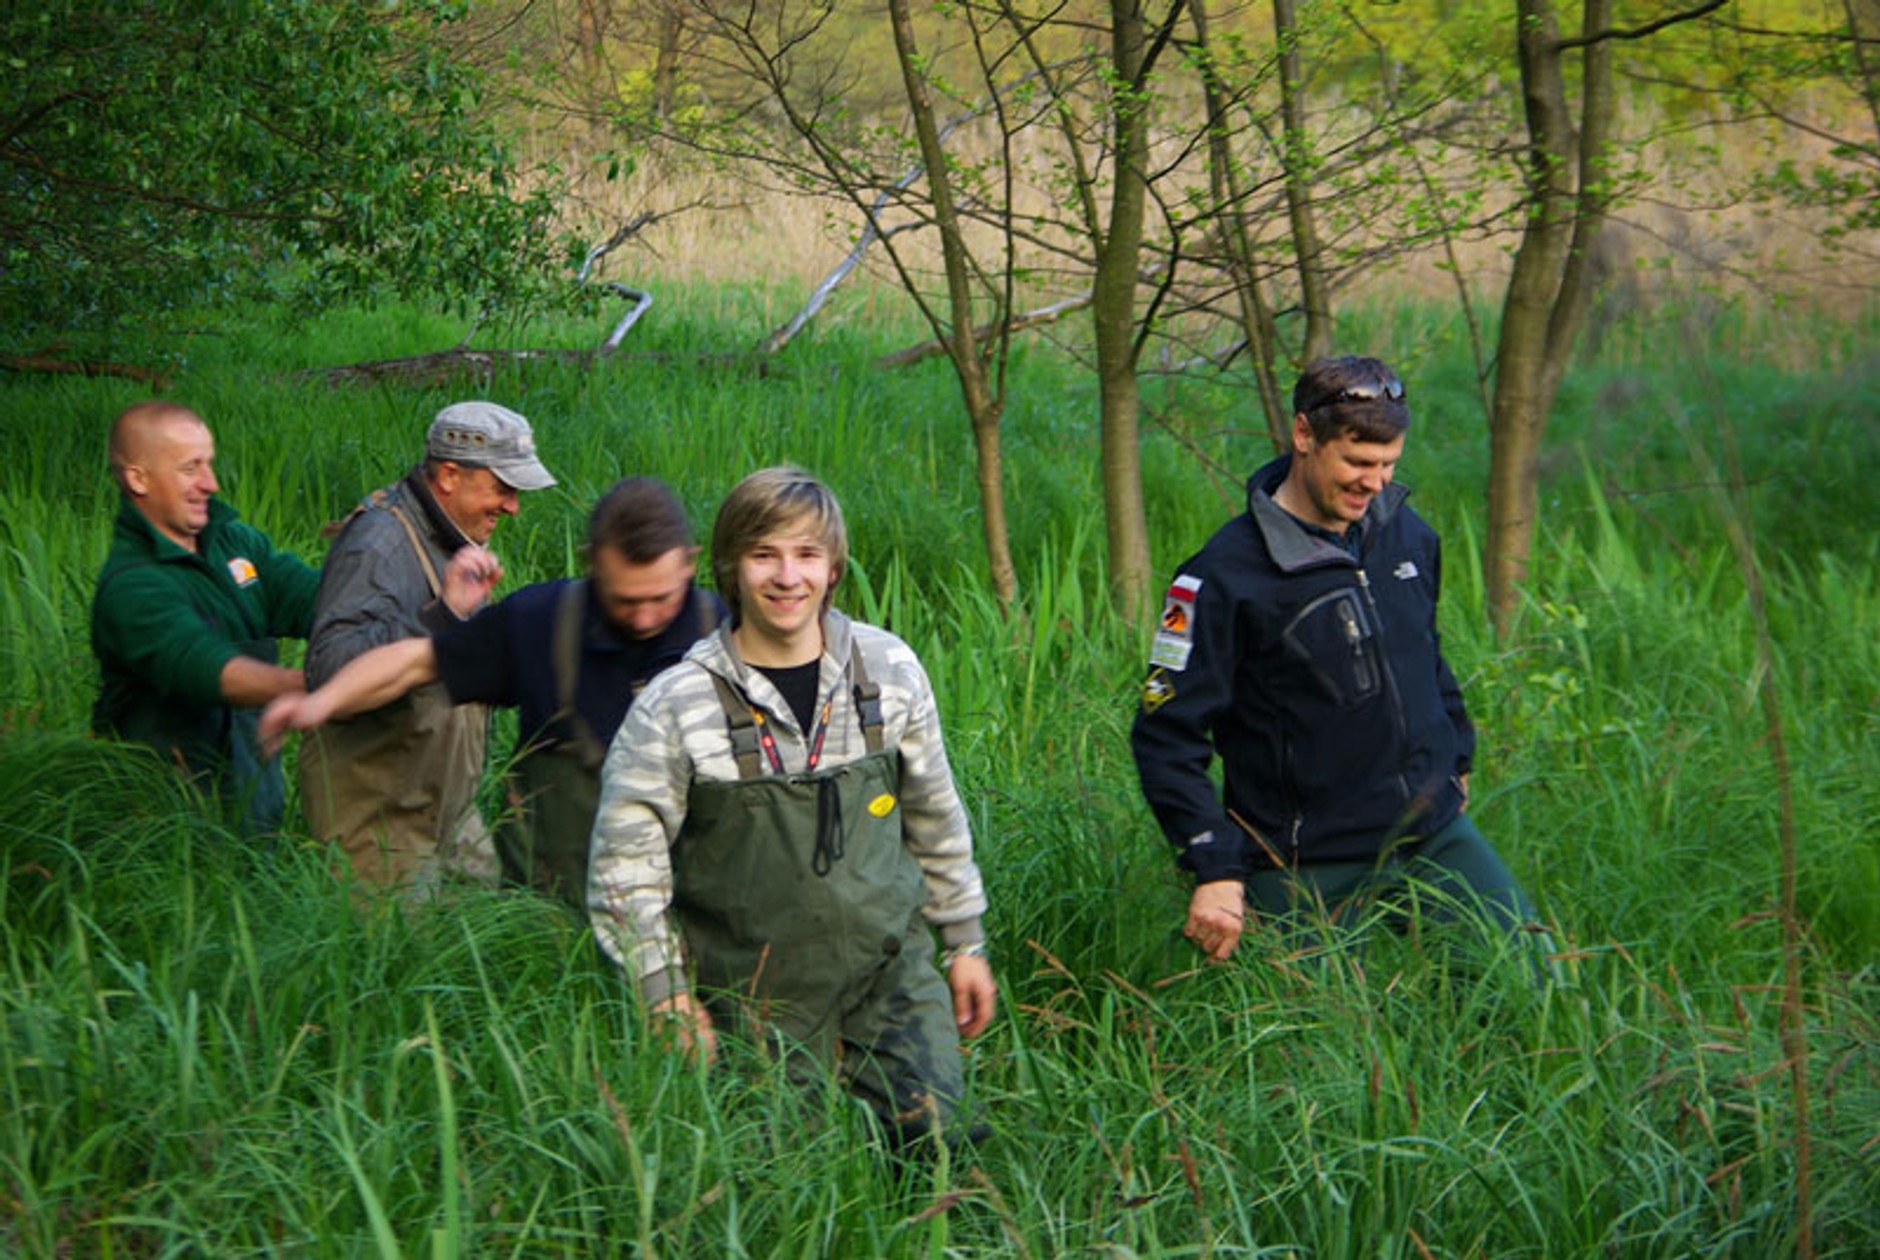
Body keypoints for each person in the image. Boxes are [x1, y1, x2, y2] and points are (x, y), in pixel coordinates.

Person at [588, 466, 997, 1152]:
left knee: (937, 1143)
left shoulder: (888, 669)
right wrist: (662, 989)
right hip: (751, 991)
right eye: (764, 554)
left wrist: (965, 943)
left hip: (887, 968)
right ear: (729, 567)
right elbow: (626, 862)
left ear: (833, 567)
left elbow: (934, 814)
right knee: (783, 1172)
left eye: (807, 554)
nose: (787, 577)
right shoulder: (677, 704)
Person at [1130, 355, 1546, 969]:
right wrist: (1213, 865)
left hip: (1431, 832)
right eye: (1357, 462)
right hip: (1304, 862)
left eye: (1388, 466)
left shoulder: (1408, 537)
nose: (1374, 484)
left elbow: (1424, 656)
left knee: (1530, 986)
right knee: (1306, 1048)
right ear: (1304, 436)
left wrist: (1456, 754)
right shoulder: (1220, 577)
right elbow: (1166, 736)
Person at [261, 477, 724, 907]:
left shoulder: (726, 636)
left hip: (683, 910)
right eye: (625, 600)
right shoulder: (541, 623)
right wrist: (320, 701)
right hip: (553, 925)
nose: (644, 619)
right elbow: (414, 662)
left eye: (661, 599)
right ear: (592, 564)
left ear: (690, 562)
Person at [299, 400, 556, 891]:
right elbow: (330, 672)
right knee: (399, 964)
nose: (513, 506)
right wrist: (443, 616)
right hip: (381, 825)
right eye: (502, 488)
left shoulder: (450, 535)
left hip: (446, 814)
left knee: (489, 934)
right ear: (449, 475)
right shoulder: (378, 544)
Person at [90, 401, 321, 834]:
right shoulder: (131, 586)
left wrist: (428, 605)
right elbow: (206, 667)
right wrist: (318, 688)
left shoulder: (236, 544)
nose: (210, 484)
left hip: (259, 825)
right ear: (138, 478)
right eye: (190, 468)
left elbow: (321, 601)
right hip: (163, 844)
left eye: (209, 464)